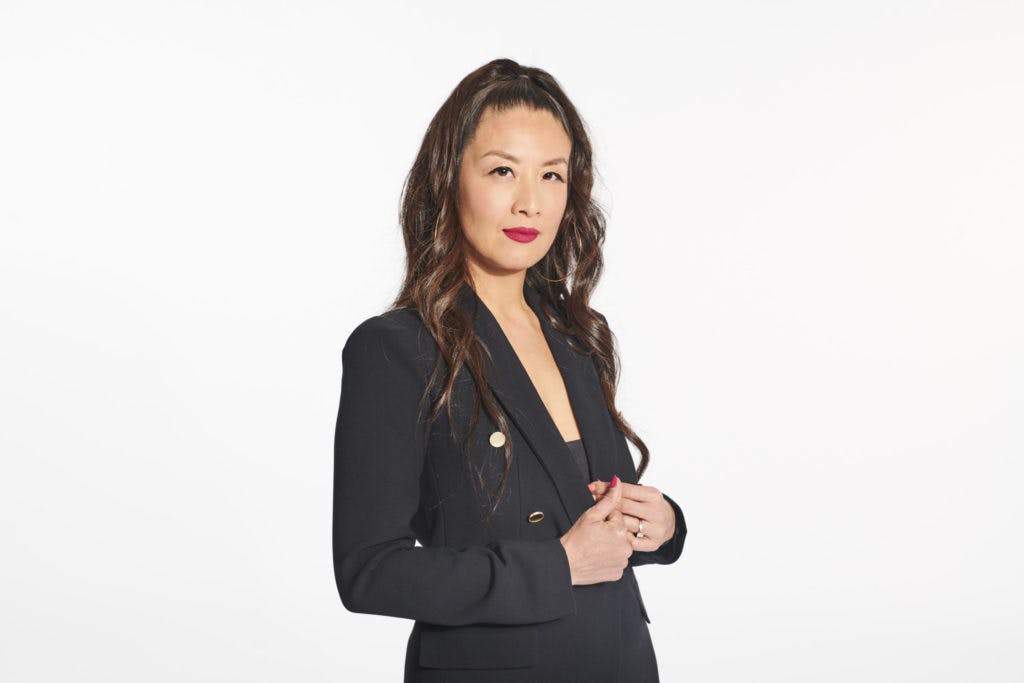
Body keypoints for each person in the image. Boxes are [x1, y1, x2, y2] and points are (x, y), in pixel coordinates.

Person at [332, 58, 687, 682]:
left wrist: (663, 525)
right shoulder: (395, 348)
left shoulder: (577, 335)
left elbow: (596, 517)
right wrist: (556, 567)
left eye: (552, 175)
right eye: (503, 171)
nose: (530, 202)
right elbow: (370, 571)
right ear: (450, 179)